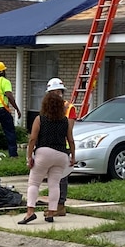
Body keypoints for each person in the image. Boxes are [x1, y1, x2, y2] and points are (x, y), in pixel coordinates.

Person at [18, 86, 75, 225]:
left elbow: (32, 139)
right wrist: (73, 156)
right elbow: (71, 140)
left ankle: (30, 212)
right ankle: (51, 213)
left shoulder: (40, 119)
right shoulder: (65, 121)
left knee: (34, 183)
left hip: (44, 152)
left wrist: (29, 156)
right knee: (54, 184)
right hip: (61, 155)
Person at [45, 78, 77, 216]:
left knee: (61, 178)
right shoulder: (47, 107)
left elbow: (68, 131)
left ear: (59, 92)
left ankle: (60, 205)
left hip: (62, 146)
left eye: (53, 92)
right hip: (49, 145)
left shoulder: (69, 108)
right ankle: (53, 205)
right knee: (52, 178)